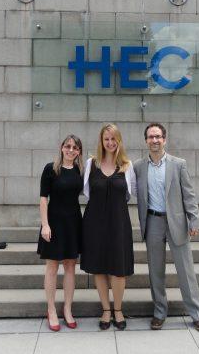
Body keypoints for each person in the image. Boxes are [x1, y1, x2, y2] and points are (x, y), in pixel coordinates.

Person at [133, 122, 199, 333]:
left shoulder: (178, 164)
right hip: (153, 222)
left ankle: (198, 314)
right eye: (150, 137)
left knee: (186, 271)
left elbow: (189, 194)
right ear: (146, 140)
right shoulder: (139, 167)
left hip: (177, 222)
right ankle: (159, 313)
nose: (154, 140)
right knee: (156, 272)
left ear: (164, 139)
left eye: (158, 136)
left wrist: (193, 220)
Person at [80, 123, 136, 330]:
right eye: (106, 139)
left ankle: (118, 310)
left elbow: (133, 193)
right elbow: (86, 192)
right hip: (94, 223)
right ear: (101, 141)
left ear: (119, 141)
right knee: (99, 268)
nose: (110, 143)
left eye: (114, 139)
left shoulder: (128, 166)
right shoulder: (90, 164)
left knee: (119, 269)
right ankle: (105, 310)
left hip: (119, 223)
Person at [37, 135, 84, 332]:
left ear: (79, 151)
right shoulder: (51, 169)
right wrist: (45, 225)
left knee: (71, 266)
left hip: (73, 223)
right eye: (67, 146)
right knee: (52, 267)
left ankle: (67, 309)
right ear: (61, 148)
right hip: (54, 223)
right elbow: (43, 198)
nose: (71, 150)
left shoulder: (81, 171)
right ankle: (51, 310)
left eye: (75, 147)